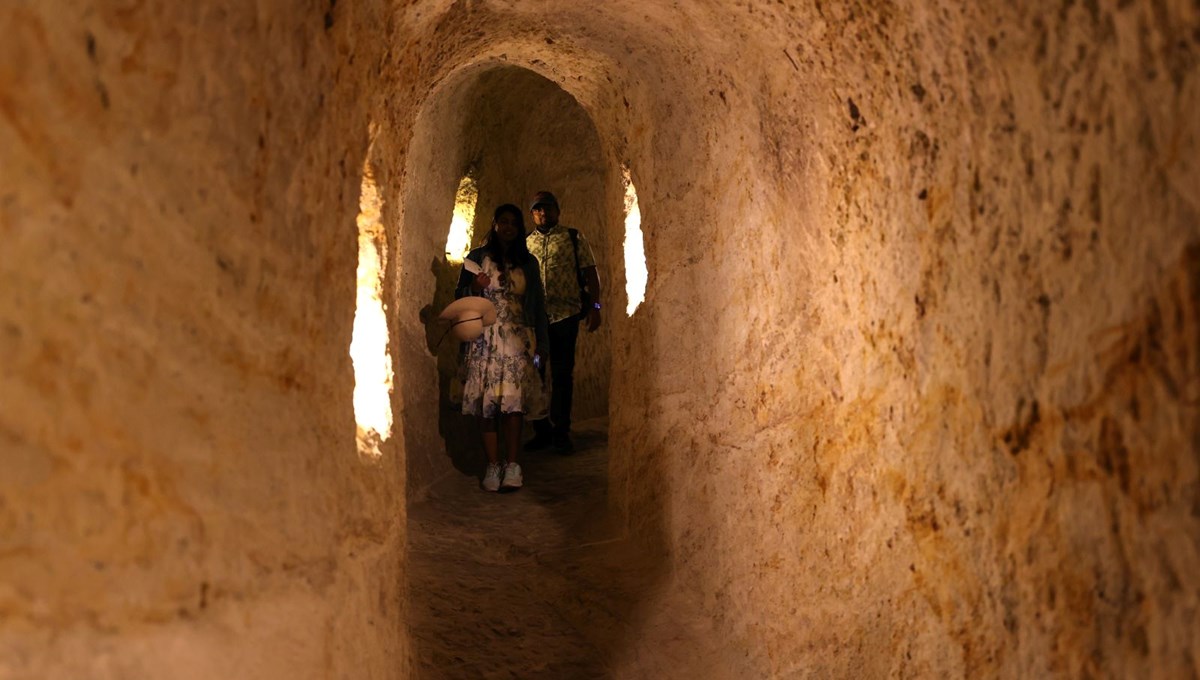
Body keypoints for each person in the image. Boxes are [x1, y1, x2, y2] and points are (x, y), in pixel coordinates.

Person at [455, 204, 549, 491]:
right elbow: (458, 295)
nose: (508, 227)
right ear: (494, 224)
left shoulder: (528, 262)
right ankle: (492, 465)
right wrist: (474, 288)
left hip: (517, 339)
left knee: (512, 404)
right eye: (503, 221)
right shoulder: (476, 257)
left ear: (519, 229)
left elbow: (537, 304)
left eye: (513, 223)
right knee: (487, 404)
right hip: (484, 338)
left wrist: (541, 344)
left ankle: (512, 464)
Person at [524, 191, 602, 454]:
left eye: (547, 208)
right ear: (532, 214)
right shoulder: (526, 243)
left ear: (557, 211)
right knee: (535, 374)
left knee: (561, 374)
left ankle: (561, 431)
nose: (543, 213)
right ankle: (541, 430)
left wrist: (596, 306)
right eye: (537, 210)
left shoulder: (572, 236)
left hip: (564, 319)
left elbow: (590, 271)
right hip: (536, 323)